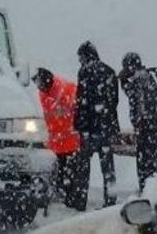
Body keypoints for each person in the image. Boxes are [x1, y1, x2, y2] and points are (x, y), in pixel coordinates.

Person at [72, 41, 119, 210]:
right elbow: (114, 101)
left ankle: (80, 201)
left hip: (90, 129)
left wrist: (80, 125)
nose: (79, 61)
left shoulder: (85, 72)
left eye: (80, 57)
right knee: (108, 168)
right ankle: (110, 200)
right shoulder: (109, 71)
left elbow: (82, 102)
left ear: (85, 56)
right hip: (106, 127)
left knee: (83, 167)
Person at [119, 52, 157, 192]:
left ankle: (148, 191)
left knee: (144, 163)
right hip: (154, 126)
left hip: (145, 128)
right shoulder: (148, 77)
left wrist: (123, 81)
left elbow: (135, 100)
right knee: (154, 161)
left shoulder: (139, 80)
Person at [32, 68, 81, 202]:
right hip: (55, 142)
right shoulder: (43, 94)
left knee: (69, 172)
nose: (39, 88)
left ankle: (70, 195)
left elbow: (78, 112)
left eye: (40, 85)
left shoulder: (68, 90)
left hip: (70, 141)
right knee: (59, 172)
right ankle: (61, 192)